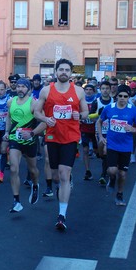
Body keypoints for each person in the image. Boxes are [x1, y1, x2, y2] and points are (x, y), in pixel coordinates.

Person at [34, 59, 89, 231]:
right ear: (56, 72)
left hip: (71, 137)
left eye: (67, 70)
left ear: (71, 73)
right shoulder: (46, 90)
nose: (64, 72)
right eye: (61, 69)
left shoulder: (78, 91)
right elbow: (36, 111)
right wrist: (45, 119)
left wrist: (79, 115)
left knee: (64, 174)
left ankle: (61, 216)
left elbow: (86, 111)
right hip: (52, 136)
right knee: (56, 176)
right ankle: (66, 181)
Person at [97, 85, 136, 205]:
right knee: (112, 171)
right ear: (116, 96)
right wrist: (101, 137)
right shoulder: (109, 108)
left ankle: (119, 194)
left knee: (123, 174)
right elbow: (99, 121)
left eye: (125, 96)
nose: (123, 98)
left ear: (129, 97)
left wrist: (133, 129)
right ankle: (112, 180)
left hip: (126, 146)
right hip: (112, 145)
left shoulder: (133, 110)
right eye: (120, 96)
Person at [4, 78, 45, 212]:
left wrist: (32, 133)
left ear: (29, 89)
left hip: (30, 141)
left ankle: (35, 184)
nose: (20, 89)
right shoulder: (11, 102)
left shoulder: (34, 104)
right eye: (18, 86)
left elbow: (44, 122)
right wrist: (6, 132)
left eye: (23, 87)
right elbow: (9, 117)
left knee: (32, 170)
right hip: (14, 139)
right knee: (14, 168)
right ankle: (16, 201)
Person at [90, 81, 113, 186]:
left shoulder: (114, 101)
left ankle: (104, 174)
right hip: (99, 131)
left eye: (107, 88)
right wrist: (97, 115)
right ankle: (108, 167)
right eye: (103, 88)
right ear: (100, 89)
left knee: (107, 151)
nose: (105, 90)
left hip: (112, 131)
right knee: (101, 153)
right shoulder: (96, 101)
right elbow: (90, 116)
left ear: (110, 89)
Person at [80, 84, 98, 180]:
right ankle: (87, 171)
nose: (88, 91)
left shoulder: (97, 101)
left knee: (98, 152)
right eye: (86, 89)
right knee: (85, 150)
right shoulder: (81, 101)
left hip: (96, 130)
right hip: (85, 129)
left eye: (90, 89)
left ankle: (105, 169)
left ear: (94, 91)